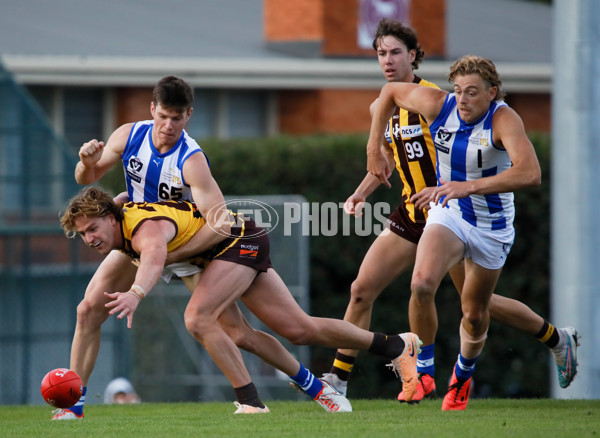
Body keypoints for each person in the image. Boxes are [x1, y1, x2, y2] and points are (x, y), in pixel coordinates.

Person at [52, 76, 352, 418]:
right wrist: (87, 163)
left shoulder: (191, 159)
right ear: (152, 109)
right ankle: (72, 404)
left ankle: (310, 387)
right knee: (88, 309)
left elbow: (220, 221)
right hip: (139, 238)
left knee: (238, 332)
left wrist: (164, 264)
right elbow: (85, 178)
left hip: (188, 248)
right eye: (162, 116)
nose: (167, 126)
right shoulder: (129, 135)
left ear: (188, 116)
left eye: (176, 118)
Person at [323, 19, 579, 406]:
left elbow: (519, 169)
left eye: (395, 52)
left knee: (477, 308)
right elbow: (389, 159)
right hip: (416, 211)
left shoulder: (437, 100)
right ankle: (340, 380)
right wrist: (361, 189)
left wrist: (462, 186)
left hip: (454, 208)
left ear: (413, 55)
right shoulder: (386, 106)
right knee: (364, 290)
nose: (388, 61)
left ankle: (555, 339)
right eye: (381, 53)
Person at [59, 186, 422, 411]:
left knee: (198, 319)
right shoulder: (119, 218)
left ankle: (251, 403)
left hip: (238, 239)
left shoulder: (141, 229)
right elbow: (119, 201)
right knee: (294, 330)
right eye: (82, 234)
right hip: (214, 255)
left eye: (93, 229)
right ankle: (394, 347)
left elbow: (154, 255)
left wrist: (136, 293)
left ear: (110, 218)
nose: (89, 238)